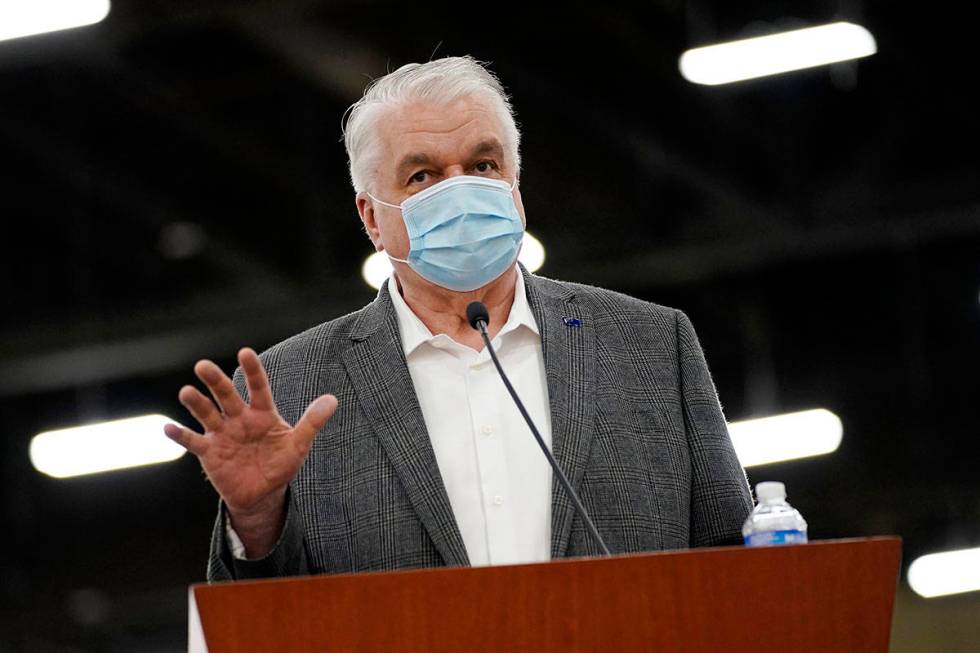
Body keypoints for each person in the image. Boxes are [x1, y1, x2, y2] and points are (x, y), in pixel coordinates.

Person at [163, 56, 753, 582]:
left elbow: (740, 565)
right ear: (371, 217)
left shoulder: (649, 345)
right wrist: (258, 518)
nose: (461, 190)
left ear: (516, 183)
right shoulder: (290, 388)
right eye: (423, 176)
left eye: (483, 164)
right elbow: (263, 628)